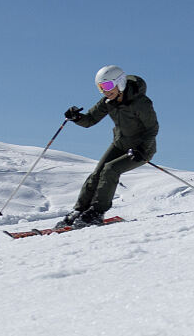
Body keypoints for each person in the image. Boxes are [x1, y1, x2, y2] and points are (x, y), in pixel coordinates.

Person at [58, 65, 158, 228]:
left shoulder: (140, 103)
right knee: (97, 173)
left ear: (120, 83)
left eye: (108, 86)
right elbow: (90, 120)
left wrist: (143, 148)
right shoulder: (108, 101)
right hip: (120, 144)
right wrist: (76, 117)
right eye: (101, 87)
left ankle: (97, 212)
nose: (105, 91)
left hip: (141, 150)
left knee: (110, 169)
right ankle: (79, 210)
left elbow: (152, 128)